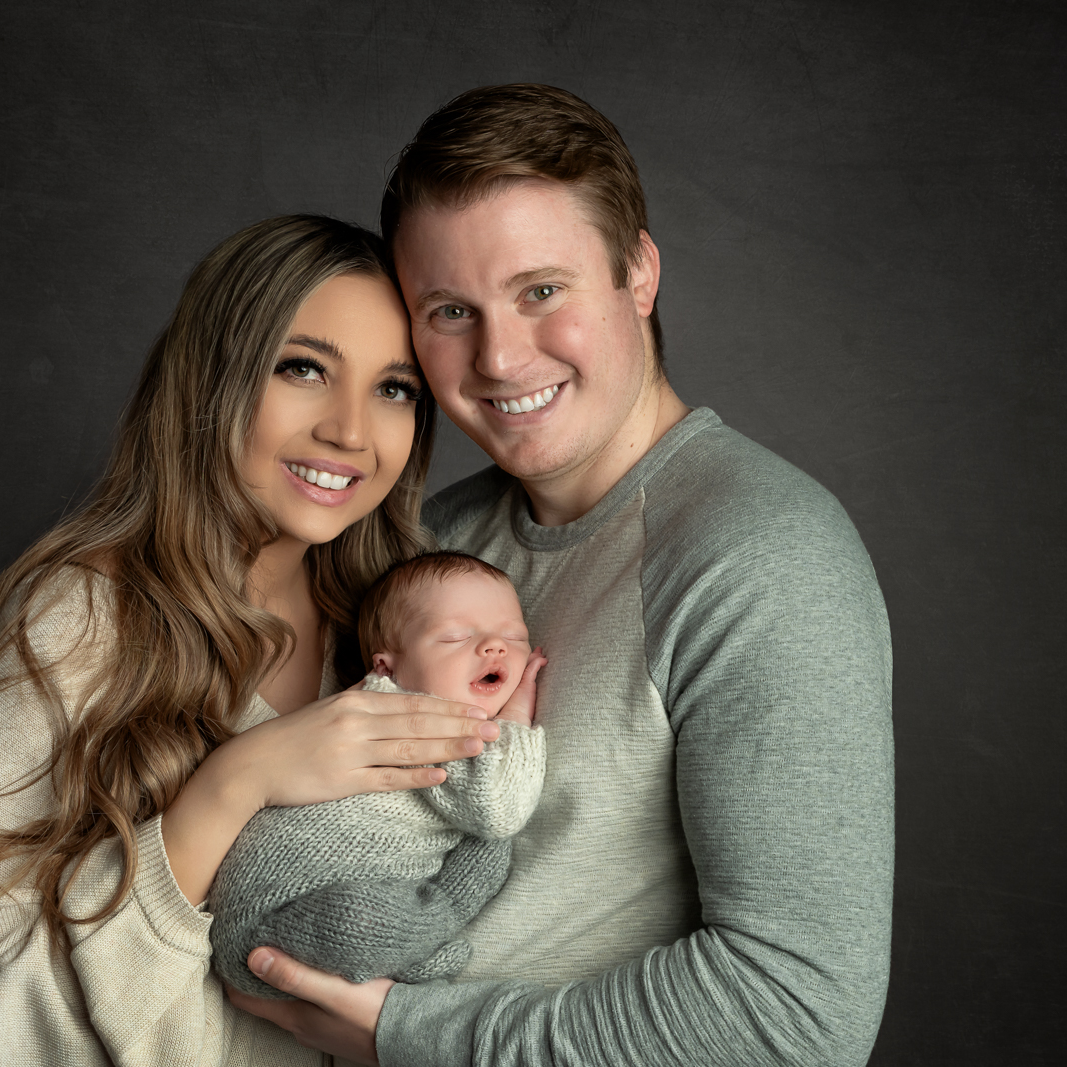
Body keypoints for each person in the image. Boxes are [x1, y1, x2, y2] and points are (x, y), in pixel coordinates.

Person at [229, 85, 895, 1067]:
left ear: (637, 272)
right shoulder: (428, 537)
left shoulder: (761, 557)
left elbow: (794, 1010)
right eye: (450, 310)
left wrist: (406, 1035)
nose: (498, 356)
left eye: (540, 290)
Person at [0, 214, 504, 1067]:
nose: (351, 431)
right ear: (214, 380)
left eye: (394, 388)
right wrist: (231, 786)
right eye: (303, 368)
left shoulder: (396, 624)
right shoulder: (73, 620)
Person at [209, 551, 547, 999]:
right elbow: (501, 808)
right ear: (387, 669)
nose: (494, 647)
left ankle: (408, 942)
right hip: (279, 913)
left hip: (291, 910)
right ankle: (436, 923)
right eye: (455, 636)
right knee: (371, 918)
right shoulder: (414, 720)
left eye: (513, 635)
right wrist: (515, 719)